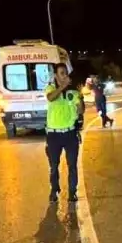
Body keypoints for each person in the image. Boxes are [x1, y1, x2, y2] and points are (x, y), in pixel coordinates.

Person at [45, 64, 83, 203]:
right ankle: (54, 190)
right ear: (56, 76)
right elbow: (50, 98)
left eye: (66, 73)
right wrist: (62, 87)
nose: (65, 75)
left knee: (72, 165)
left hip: (70, 134)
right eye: (61, 73)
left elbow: (80, 111)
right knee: (54, 166)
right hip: (54, 135)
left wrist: (80, 98)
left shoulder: (72, 92)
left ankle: (72, 192)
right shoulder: (51, 88)